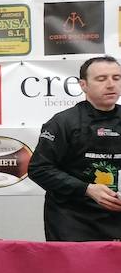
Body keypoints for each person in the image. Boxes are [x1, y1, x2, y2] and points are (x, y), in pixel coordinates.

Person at [27, 54, 121, 242]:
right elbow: (39, 169)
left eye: (116, 78)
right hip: (72, 220)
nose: (111, 84)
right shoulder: (63, 122)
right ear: (83, 85)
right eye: (101, 79)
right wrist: (86, 189)